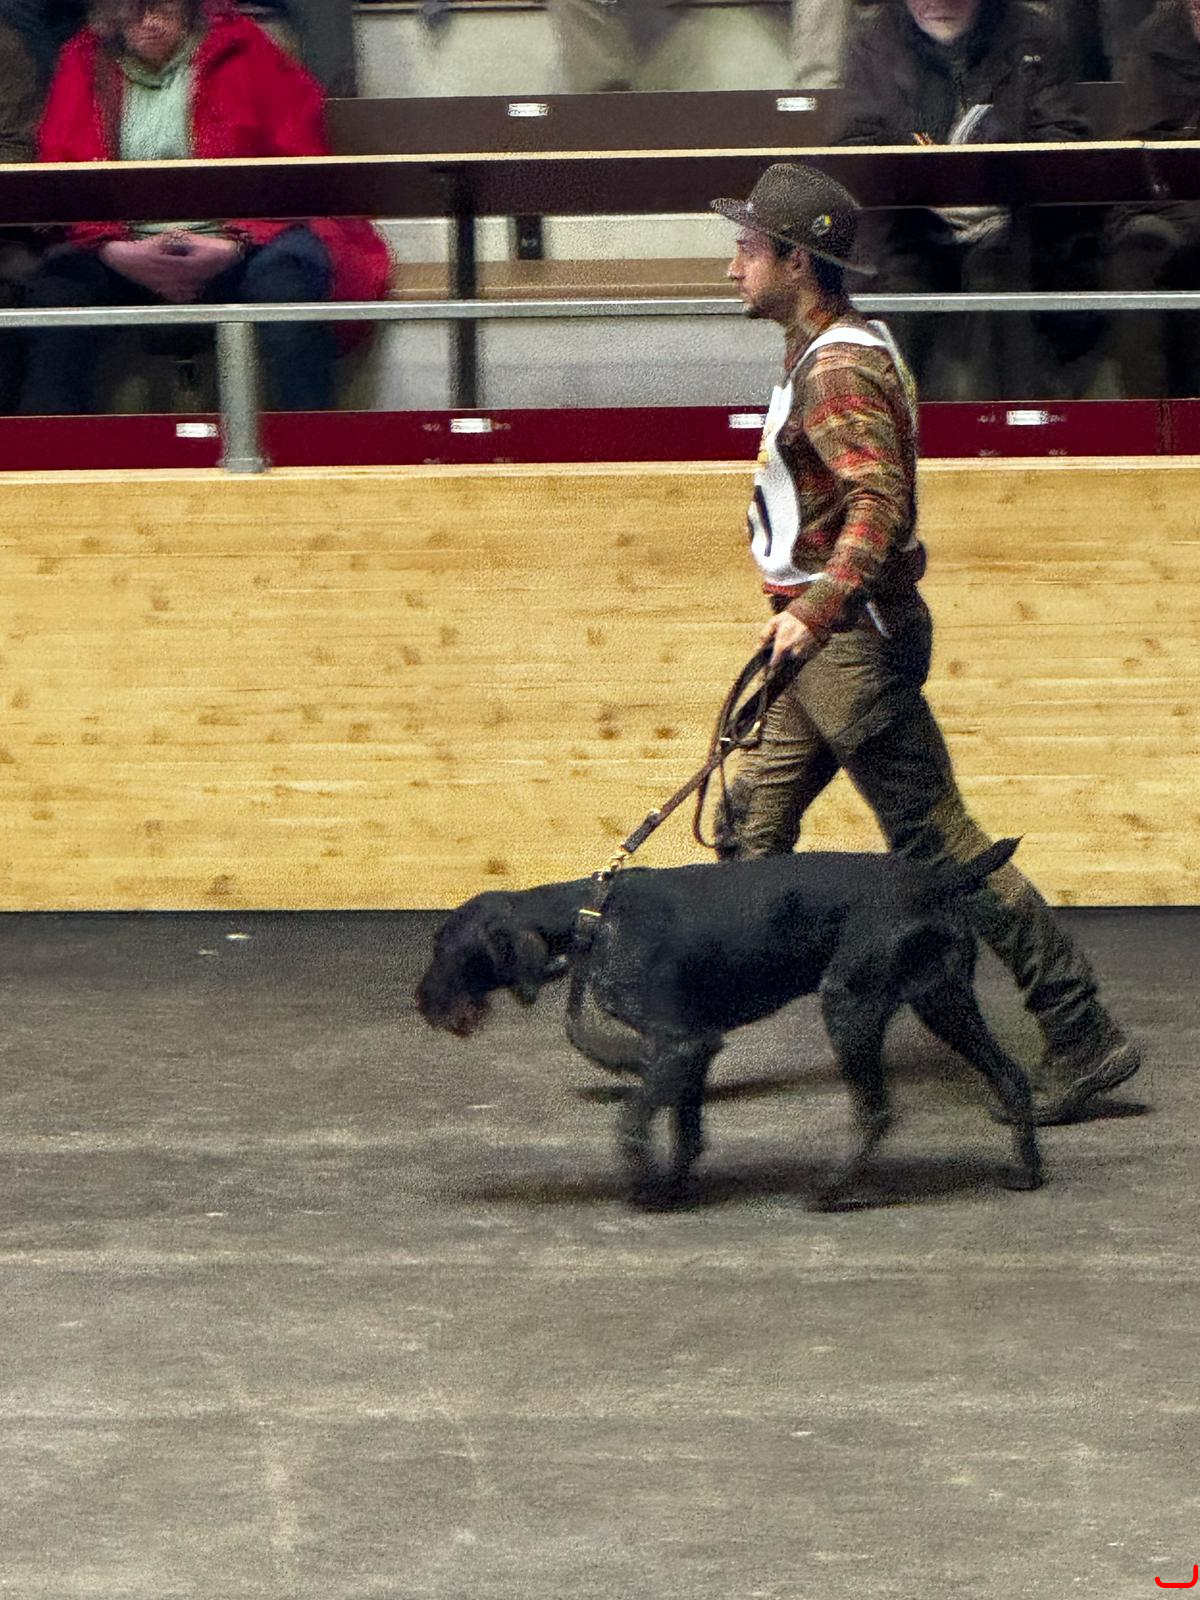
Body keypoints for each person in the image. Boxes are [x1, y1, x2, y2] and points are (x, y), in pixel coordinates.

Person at [707, 161, 1141, 1124]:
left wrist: (812, 611)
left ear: (798, 261)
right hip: (826, 647)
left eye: (749, 248)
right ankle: (690, 1029)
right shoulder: (829, 348)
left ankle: (1081, 1033)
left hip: (847, 649)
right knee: (749, 831)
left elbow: (878, 505)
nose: (734, 265)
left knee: (942, 846)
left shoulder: (836, 368)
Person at [19, 0, 390, 414]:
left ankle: (312, 441)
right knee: (55, 298)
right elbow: (62, 177)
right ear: (111, 15)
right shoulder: (83, 59)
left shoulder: (243, 48)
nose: (151, 22)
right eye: (135, 12)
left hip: (242, 245)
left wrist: (236, 243)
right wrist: (116, 250)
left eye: (163, 8)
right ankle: (53, 451)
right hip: (120, 249)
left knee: (290, 285)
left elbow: (299, 167)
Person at [835, 0, 1101, 399]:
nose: (935, 4)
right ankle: (888, 424)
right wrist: (919, 169)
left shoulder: (1034, 36)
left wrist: (1006, 167)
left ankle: (1011, 427)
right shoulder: (875, 42)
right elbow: (854, 148)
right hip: (907, 225)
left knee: (1003, 278)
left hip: (1015, 223)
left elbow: (1065, 142)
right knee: (899, 286)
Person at [1102, 0, 1200, 395]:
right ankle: (1146, 414)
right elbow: (1141, 153)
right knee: (1138, 248)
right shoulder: (1155, 42)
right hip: (1167, 207)